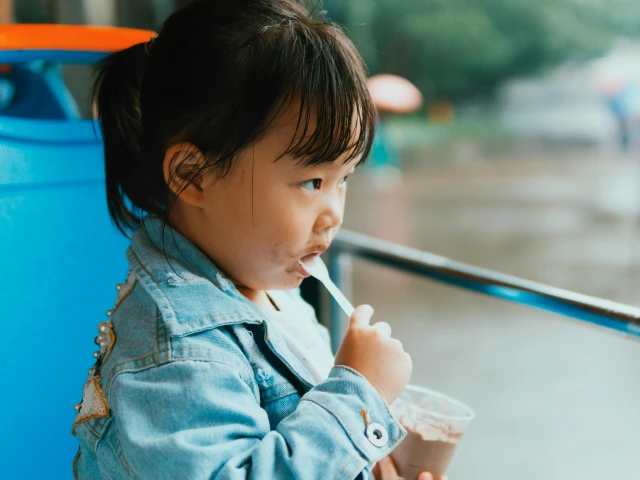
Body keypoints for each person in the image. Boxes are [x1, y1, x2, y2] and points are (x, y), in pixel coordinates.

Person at [71, 1, 443, 478]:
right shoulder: (177, 352)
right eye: (312, 182)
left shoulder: (268, 282)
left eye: (344, 178)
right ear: (194, 176)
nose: (334, 214)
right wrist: (359, 397)